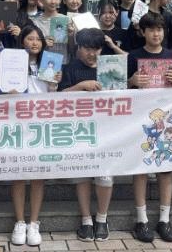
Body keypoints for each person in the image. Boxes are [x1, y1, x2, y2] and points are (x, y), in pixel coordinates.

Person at [127, 13, 172, 243]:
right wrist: (131, 82)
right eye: (151, 29)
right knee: (140, 168)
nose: (156, 34)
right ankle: (141, 220)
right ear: (143, 32)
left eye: (159, 29)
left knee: (166, 168)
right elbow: (119, 88)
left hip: (166, 120)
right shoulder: (133, 56)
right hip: (139, 120)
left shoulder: (171, 56)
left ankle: (164, 220)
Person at [58, 28, 113, 242]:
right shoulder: (68, 68)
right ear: (78, 48)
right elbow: (58, 97)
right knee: (82, 174)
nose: (92, 54)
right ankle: (86, 220)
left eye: (97, 49)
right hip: (79, 131)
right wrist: (81, 86)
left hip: (106, 131)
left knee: (105, 174)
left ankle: (102, 219)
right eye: (88, 49)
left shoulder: (110, 67)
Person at [10, 25, 61, 246]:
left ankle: (33, 223)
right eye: (30, 38)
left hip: (41, 123)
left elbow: (52, 96)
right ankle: (20, 221)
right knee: (18, 174)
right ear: (22, 41)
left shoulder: (50, 62)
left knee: (38, 174)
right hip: (16, 122)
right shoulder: (11, 62)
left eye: (38, 39)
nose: (34, 43)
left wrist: (54, 84)